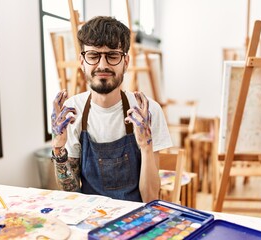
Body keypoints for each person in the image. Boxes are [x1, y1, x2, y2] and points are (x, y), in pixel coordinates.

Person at [51, 16, 172, 203]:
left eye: (112, 56)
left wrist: (146, 147)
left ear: (126, 61)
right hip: (90, 216)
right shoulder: (72, 111)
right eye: (93, 56)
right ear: (82, 61)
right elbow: (72, 192)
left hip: (135, 216)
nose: (102, 65)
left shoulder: (146, 112)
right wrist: (58, 148)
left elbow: (150, 198)